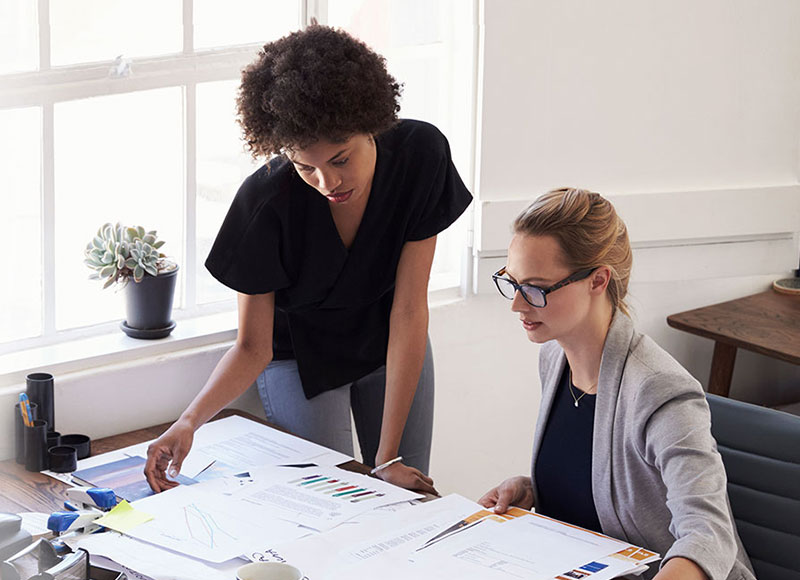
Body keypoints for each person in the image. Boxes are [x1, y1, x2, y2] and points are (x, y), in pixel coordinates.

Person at [144, 25, 471, 494]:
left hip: (389, 335)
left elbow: (409, 308)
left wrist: (387, 458)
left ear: (372, 125)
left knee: (404, 492)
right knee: (333, 498)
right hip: (298, 356)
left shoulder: (421, 156)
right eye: (304, 167)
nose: (327, 182)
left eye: (341, 159)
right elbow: (252, 347)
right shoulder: (264, 203)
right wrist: (189, 422)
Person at [478, 189, 754, 580]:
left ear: (597, 280)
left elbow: (708, 533)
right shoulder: (555, 358)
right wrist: (533, 489)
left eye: (535, 288)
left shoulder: (660, 390)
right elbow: (603, 486)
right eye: (513, 283)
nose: (517, 305)